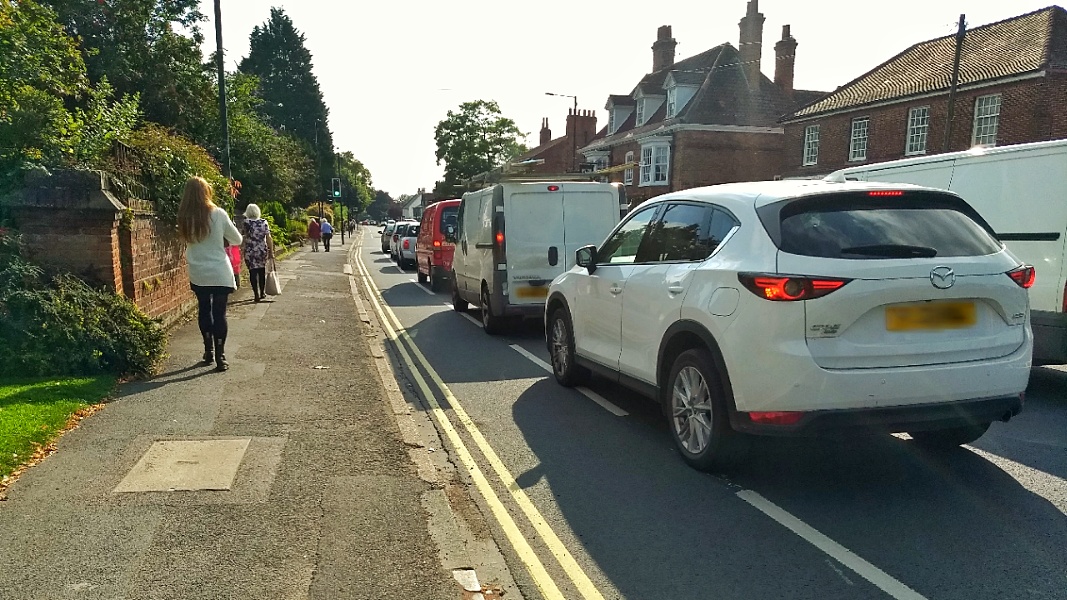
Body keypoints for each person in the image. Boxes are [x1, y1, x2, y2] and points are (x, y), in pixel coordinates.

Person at [177, 176, 242, 372]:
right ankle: (221, 356)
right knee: (219, 313)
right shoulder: (218, 214)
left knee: (204, 309)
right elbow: (237, 239)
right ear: (206, 192)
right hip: (219, 270)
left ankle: (208, 351)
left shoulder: (184, 217)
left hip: (198, 271)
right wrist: (221, 239)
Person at [241, 203, 274, 302]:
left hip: (250, 251)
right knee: (261, 271)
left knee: (252, 272)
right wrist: (271, 251)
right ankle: (262, 292)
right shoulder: (264, 222)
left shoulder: (246, 222)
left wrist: (242, 248)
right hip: (261, 250)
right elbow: (268, 237)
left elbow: (243, 236)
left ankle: (255, 293)